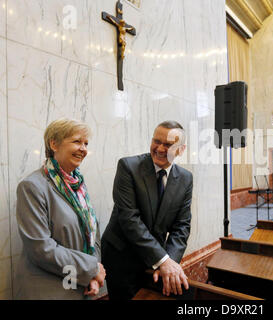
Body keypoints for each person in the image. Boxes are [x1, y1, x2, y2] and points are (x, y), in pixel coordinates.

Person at [14, 118, 106, 299]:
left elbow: (93, 233)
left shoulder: (78, 185)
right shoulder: (32, 186)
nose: (83, 149)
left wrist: (92, 275)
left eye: (86, 143)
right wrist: (91, 268)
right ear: (54, 144)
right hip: (49, 290)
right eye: (77, 141)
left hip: (79, 284)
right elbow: (41, 249)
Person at [102, 120, 192, 300]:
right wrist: (163, 260)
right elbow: (130, 220)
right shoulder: (128, 167)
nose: (159, 148)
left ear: (181, 149)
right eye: (156, 141)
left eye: (168, 144)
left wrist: (169, 261)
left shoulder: (185, 178)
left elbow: (182, 226)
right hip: (122, 257)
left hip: (155, 259)